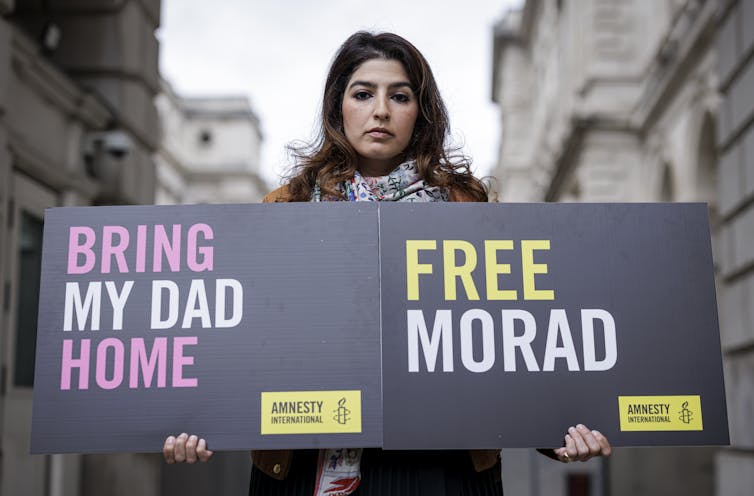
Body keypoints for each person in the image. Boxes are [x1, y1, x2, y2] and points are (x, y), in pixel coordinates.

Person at [163, 31, 612, 495]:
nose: (381, 110)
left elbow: (502, 337)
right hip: (308, 465)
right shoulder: (286, 206)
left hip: (440, 468)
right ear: (339, 106)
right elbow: (245, 339)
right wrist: (198, 420)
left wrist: (555, 433)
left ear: (420, 112)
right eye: (363, 94)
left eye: (399, 96)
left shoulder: (465, 206)